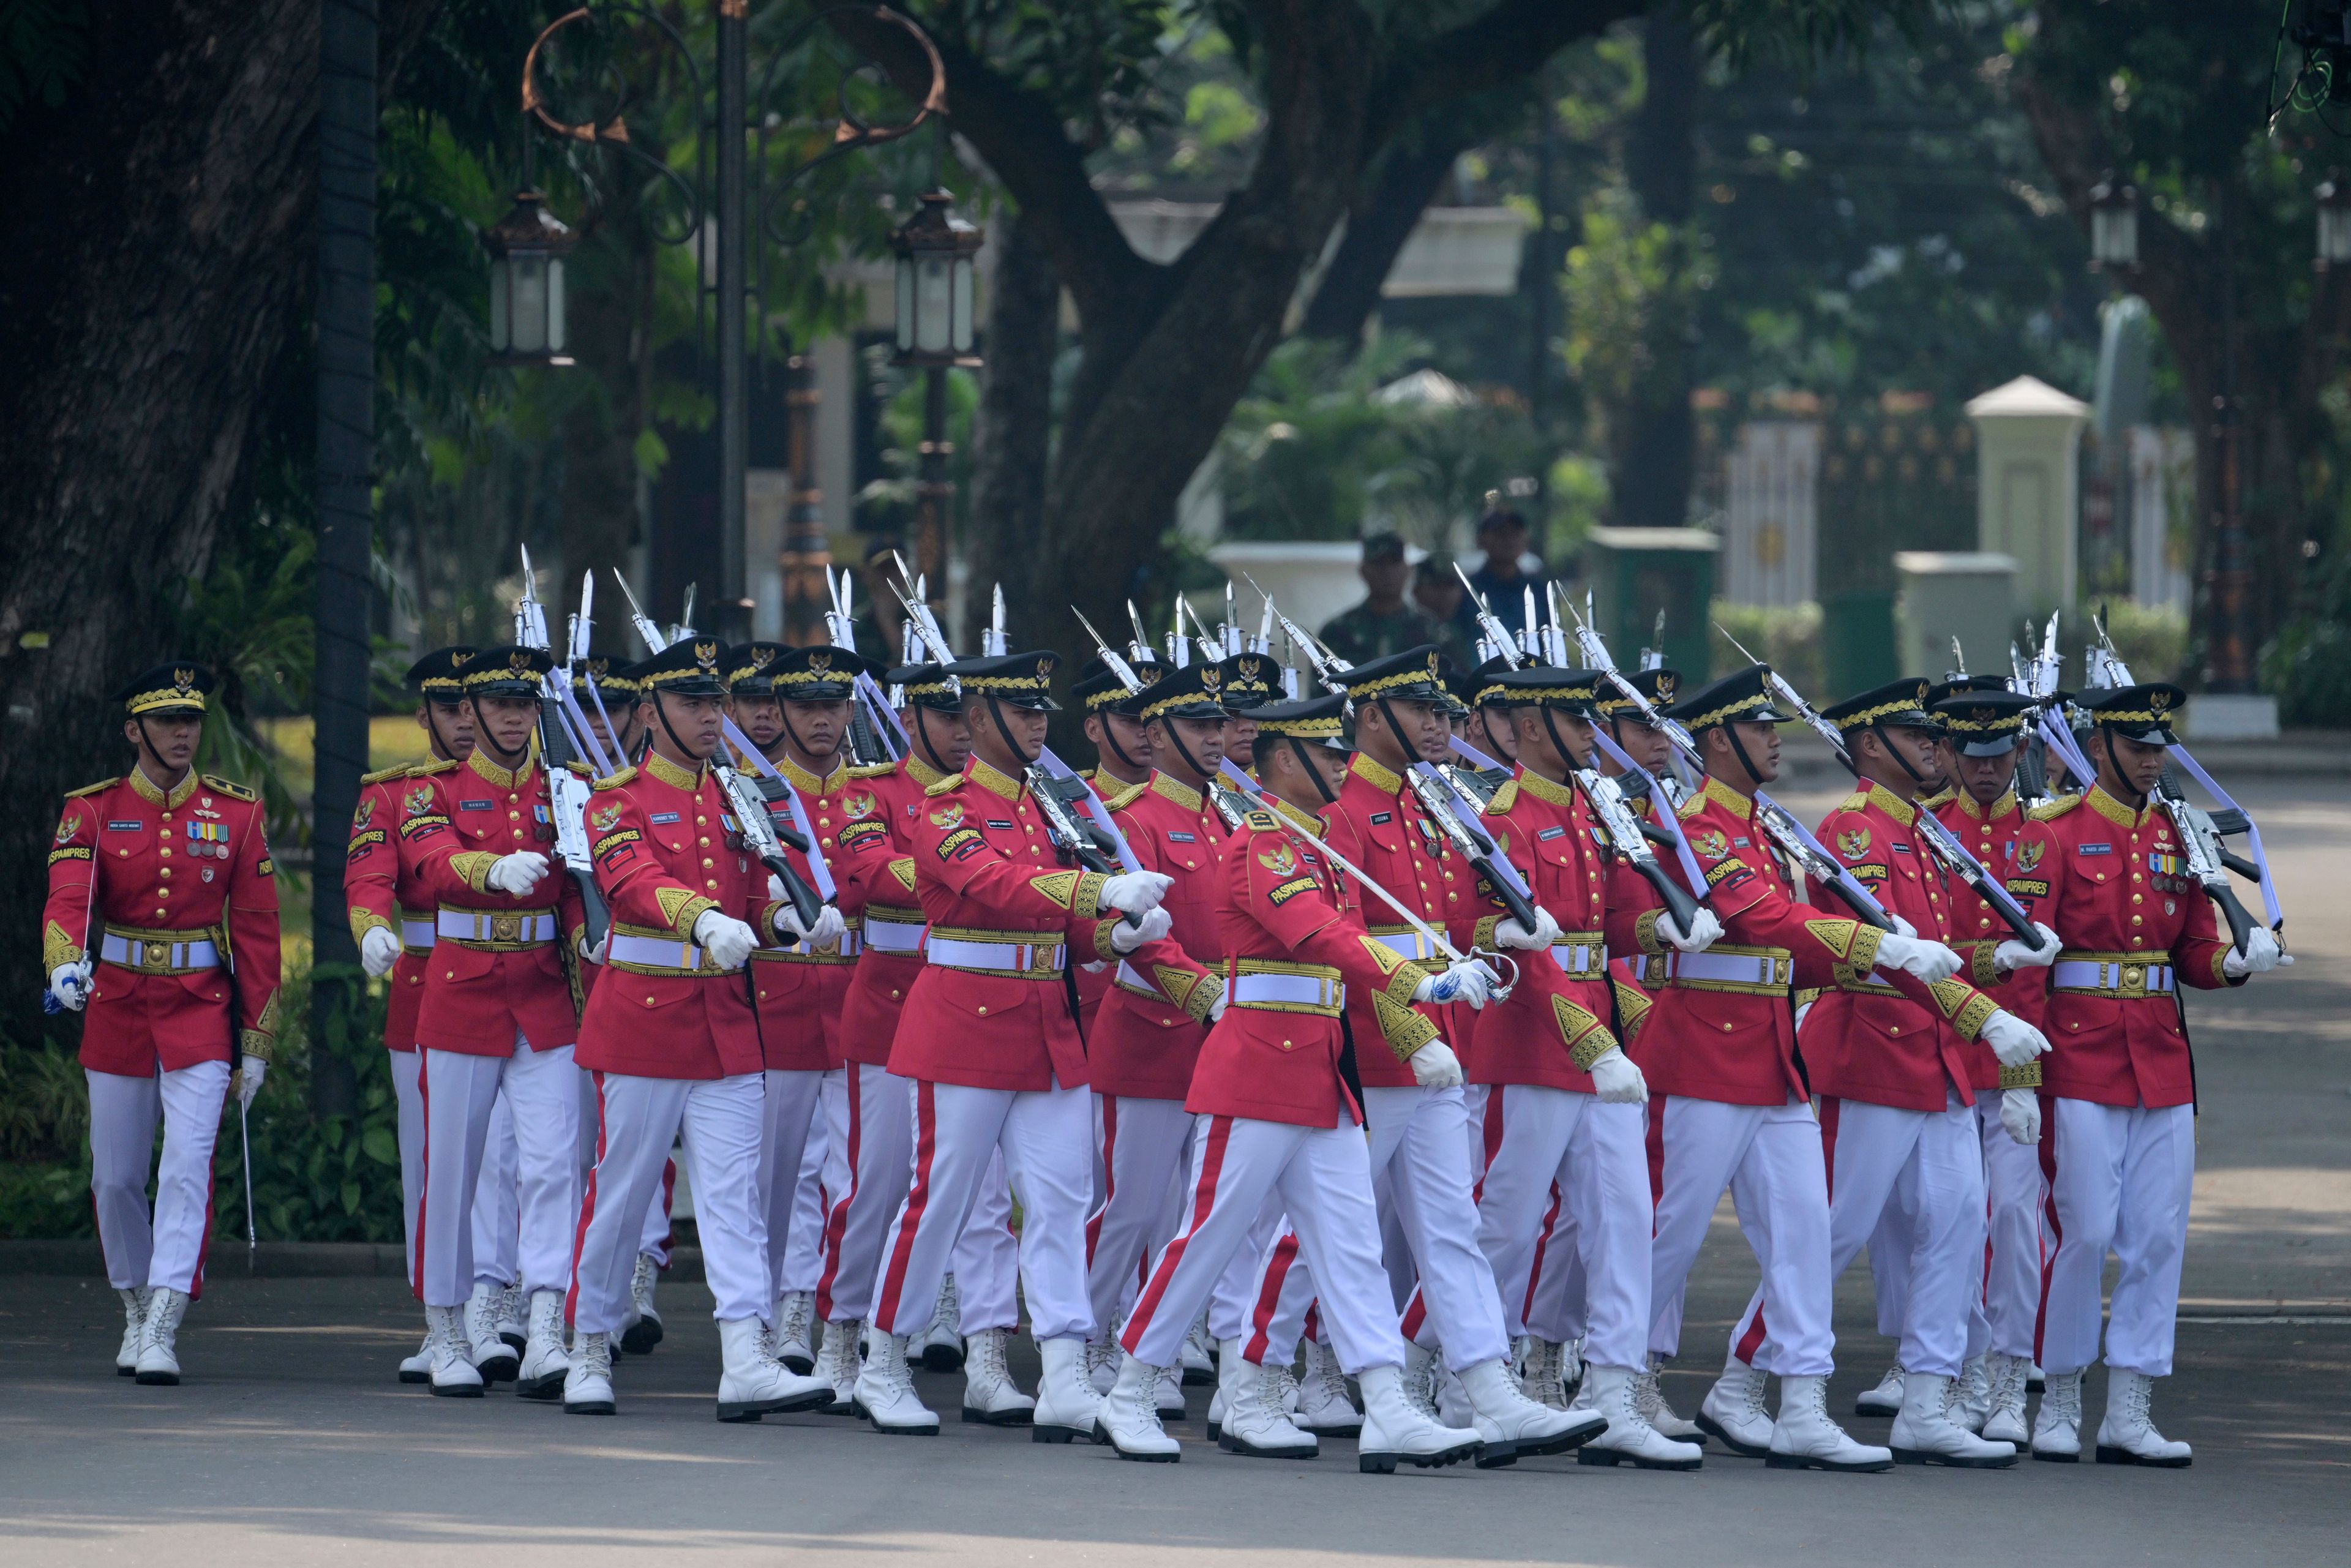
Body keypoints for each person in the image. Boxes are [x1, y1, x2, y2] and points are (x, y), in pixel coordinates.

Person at [1095, 696, 1486, 1472]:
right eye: (1327, 753)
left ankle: (1387, 1405)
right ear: (1281, 762)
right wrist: (1423, 985)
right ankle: (1132, 1389)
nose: (1345, 765)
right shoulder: (1263, 846)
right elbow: (1321, 933)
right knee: (1208, 1234)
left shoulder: (1313, 846)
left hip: (1317, 1066)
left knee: (1350, 1247)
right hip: (1255, 1065)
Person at [1708, 678, 2053, 1469]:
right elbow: (1886, 961)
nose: (1939, 746)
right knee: (1830, 1233)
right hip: (1871, 1050)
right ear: (1871, 745)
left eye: (1937, 734)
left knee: (1959, 1226)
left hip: (1933, 1057)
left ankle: (1928, 1400)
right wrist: (1987, 1019)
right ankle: (1739, 1379)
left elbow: (1935, 951)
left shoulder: (1924, 834)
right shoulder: (1853, 832)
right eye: (1919, 734)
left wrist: (1995, 962)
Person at [1638, 664, 1967, 1473]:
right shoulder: (1698, 827)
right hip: (1703, 1053)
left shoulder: (1761, 824)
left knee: (1805, 1234)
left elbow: (1792, 948)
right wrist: (1881, 944)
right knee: (1668, 1235)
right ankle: (1616, 1381)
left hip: (1772, 1054)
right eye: (1758, 727)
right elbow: (1763, 916)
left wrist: (1873, 964)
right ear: (1717, 740)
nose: (1774, 738)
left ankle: (1803, 1405)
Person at [851, 649, 1174, 1440]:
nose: (1037, 725)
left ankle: (1065, 1371)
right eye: (1022, 712)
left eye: (1041, 712)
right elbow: (991, 884)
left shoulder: (1047, 808)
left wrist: (1116, 935)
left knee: (1061, 1202)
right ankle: (882, 1359)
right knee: (940, 1200)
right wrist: (1100, 891)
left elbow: (1056, 921)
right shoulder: (946, 808)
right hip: (964, 1021)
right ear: (979, 718)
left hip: (1045, 1022)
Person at [1294, 645, 1595, 1464]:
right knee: (1317, 1231)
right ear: (1370, 717)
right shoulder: (1340, 817)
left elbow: (1453, 924)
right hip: (1378, 1049)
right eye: (1421, 710)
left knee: (1452, 1228)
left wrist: (1502, 930)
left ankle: (1490, 1392)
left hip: (1435, 1052)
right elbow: (1349, 948)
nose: (1442, 724)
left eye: (1443, 710)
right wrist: (1417, 1035)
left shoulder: (1430, 807)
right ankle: (1261, 1377)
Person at [1433, 666, 1708, 1468]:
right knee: (1506, 1225)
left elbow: (1613, 919)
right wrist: (1590, 1044)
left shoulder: (1592, 808)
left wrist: (1666, 928)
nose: (1593, 733)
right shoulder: (1503, 818)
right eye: (1576, 720)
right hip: (1533, 1041)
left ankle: (1613, 1391)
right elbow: (1487, 934)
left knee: (1625, 1212)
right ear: (1527, 727)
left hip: (1597, 1035)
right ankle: (1461, 1380)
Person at [2008, 684, 2286, 1466]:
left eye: (2160, 745)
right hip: (2080, 1054)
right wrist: (2023, 1072)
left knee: (2158, 1236)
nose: (2154, 757)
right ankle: (2059, 1393)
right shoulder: (2053, 833)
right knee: (2085, 1228)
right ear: (2100, 749)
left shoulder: (2178, 831)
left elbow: (2191, 945)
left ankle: (2130, 1406)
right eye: (2138, 746)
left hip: (2160, 1059)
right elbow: (2030, 965)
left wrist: (2231, 961)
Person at [562, 637, 838, 1420]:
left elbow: (757, 900)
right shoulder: (616, 798)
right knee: (620, 1192)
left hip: (725, 1019)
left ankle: (745, 1355)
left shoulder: (741, 795)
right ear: (651, 712)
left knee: (734, 1200)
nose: (713, 717)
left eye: (716, 702)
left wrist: (792, 920)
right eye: (693, 703)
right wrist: (703, 917)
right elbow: (630, 880)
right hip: (646, 1014)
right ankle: (589, 1343)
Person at [45, 661, 280, 1386]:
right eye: (169, 720)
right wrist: (62, 963)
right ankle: (134, 1299)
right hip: (116, 1004)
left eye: (193, 719)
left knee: (186, 1166)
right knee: (115, 1177)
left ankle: (166, 1316)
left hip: (199, 1010)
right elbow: (68, 897)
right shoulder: (92, 809)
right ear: (134, 729)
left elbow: (259, 927)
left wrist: (258, 1034)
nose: (184, 732)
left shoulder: (237, 813)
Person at [811, 659, 1033, 1424]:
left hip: (980, 1012)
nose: (959, 731)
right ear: (909, 721)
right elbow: (869, 870)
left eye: (966, 715)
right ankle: (843, 1337)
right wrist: (964, 873)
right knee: (873, 1187)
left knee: (982, 1198)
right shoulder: (866, 791)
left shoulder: (1002, 799)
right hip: (892, 1004)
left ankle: (987, 1354)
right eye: (943, 717)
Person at [397, 646, 587, 1397]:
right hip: (463, 989)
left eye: (524, 702)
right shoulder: (429, 789)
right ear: (468, 711)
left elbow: (577, 882)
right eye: (499, 702)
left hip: (542, 994)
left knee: (553, 1164)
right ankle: (446, 1329)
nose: (514, 714)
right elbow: (430, 858)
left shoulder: (562, 788)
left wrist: (584, 933)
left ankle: (544, 1326)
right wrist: (487, 869)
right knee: (454, 1171)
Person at [1082, 662, 1235, 1409]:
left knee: (1190, 1211)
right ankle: (1078, 1338)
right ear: (1156, 732)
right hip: (1150, 1031)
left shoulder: (1227, 815)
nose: (1216, 738)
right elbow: (1132, 931)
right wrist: (1203, 991)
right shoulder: (1131, 818)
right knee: (1131, 1208)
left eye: (1219, 725)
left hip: (1223, 1034)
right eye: (1200, 725)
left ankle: (1150, 1348)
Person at [726, 643, 864, 1377]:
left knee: (851, 1176)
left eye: (831, 706)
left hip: (854, 1001)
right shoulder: (749, 797)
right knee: (775, 1179)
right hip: (776, 1001)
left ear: (849, 711)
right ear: (777, 712)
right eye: (803, 707)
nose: (819, 720)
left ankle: (829, 1317)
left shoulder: (869, 796)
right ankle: (779, 1315)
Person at [346, 647, 476, 1383]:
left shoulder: (533, 787)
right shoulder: (393, 794)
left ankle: (509, 1306)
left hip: (526, 984)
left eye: (474, 705)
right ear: (422, 715)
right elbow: (367, 876)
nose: (465, 720)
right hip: (427, 982)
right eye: (449, 707)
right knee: (430, 1162)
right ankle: (442, 1315)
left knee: (527, 1160)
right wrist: (372, 929)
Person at [1319, 535, 1439, 666]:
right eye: (1379, 564)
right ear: (1363, 571)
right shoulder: (1336, 633)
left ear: (1407, 570)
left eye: (1394, 563)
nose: (1388, 572)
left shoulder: (1432, 631)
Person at [1463, 497, 1549, 612]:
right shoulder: (1467, 592)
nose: (1510, 540)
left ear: (1526, 541)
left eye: (1515, 534)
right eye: (1501, 534)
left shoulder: (1539, 592)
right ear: (1481, 541)